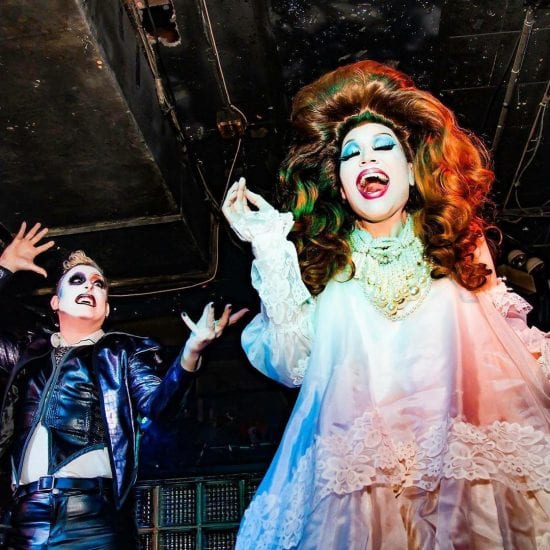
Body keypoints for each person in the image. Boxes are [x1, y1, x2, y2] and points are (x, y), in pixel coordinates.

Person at [222, 60, 550, 549]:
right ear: (340, 184)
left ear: (412, 171)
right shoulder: (326, 268)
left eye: (383, 146)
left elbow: (507, 347)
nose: (366, 159)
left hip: (459, 470)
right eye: (351, 154)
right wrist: (270, 249)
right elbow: (291, 365)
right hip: (362, 482)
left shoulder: (458, 247)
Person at [0, 222, 245, 548]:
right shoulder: (26, 353)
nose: (89, 286)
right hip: (24, 521)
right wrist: (4, 268)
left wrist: (192, 351)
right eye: (77, 280)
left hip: (90, 519)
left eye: (98, 284)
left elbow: (160, 405)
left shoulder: (122, 353)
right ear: (55, 303)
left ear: (106, 308)